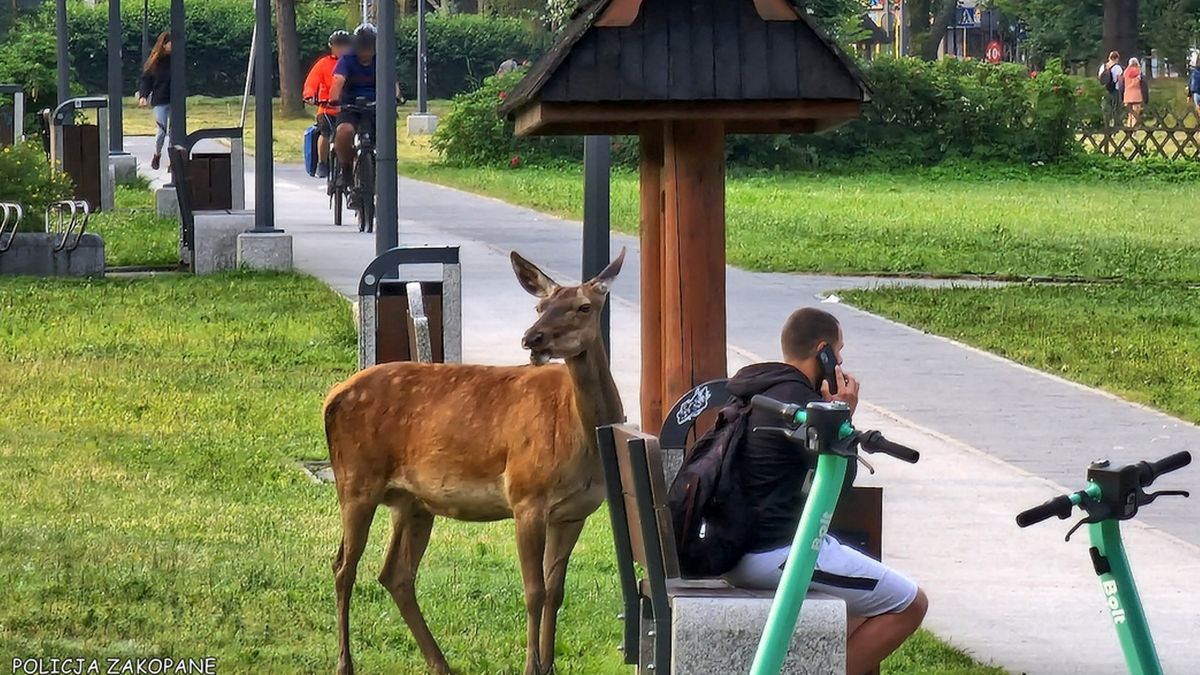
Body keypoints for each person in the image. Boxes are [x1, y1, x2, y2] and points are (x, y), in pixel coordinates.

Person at [722, 307, 928, 675]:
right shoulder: (803, 404)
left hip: (738, 547)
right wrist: (842, 415)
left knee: (856, 608)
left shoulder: (762, 390)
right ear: (823, 351)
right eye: (839, 352)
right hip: (776, 551)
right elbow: (838, 484)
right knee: (910, 604)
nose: (842, 362)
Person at [328, 24, 377, 189]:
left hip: (375, 106)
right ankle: (346, 168)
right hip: (350, 105)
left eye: (369, 46)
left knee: (386, 136)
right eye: (362, 46)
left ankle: (382, 168)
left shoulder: (382, 59)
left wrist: (396, 97)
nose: (366, 51)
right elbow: (338, 80)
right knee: (344, 132)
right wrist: (334, 99)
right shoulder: (347, 59)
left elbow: (391, 82)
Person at [303, 30, 352, 179]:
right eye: (338, 45)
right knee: (325, 132)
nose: (341, 49)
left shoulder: (354, 63)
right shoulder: (324, 64)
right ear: (331, 46)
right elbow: (312, 82)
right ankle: (322, 163)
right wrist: (309, 95)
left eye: (344, 45)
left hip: (348, 108)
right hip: (327, 109)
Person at [138, 31, 171, 171]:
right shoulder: (155, 62)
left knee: (175, 132)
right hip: (160, 100)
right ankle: (157, 154)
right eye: (170, 43)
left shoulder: (177, 61)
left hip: (174, 100)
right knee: (162, 131)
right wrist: (143, 96)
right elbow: (147, 80)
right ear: (164, 45)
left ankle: (173, 162)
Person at [1097, 51, 1123, 126]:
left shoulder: (1103, 66)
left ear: (1109, 57)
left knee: (1106, 108)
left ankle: (1106, 125)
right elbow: (1120, 79)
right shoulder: (1117, 67)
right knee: (1116, 108)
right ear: (1117, 58)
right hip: (1114, 90)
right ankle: (1115, 126)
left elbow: (1099, 78)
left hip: (1105, 90)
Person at [1123, 57, 1145, 127]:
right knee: (1136, 113)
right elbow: (1139, 81)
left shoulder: (1126, 71)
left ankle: (1129, 127)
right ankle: (1133, 129)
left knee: (1130, 113)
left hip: (1127, 95)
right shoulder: (1137, 71)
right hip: (1136, 95)